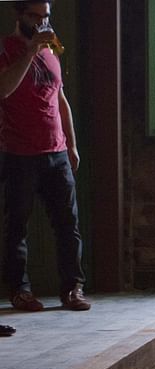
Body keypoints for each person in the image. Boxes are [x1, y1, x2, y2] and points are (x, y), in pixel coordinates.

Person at [0, 0, 89, 311]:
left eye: (45, 16)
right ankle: (20, 291)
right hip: (19, 153)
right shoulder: (7, 49)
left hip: (57, 152)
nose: (40, 22)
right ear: (19, 15)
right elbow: (4, 89)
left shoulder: (52, 53)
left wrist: (72, 145)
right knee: (17, 227)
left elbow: (61, 100)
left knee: (68, 225)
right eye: (33, 16)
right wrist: (30, 51)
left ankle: (72, 289)